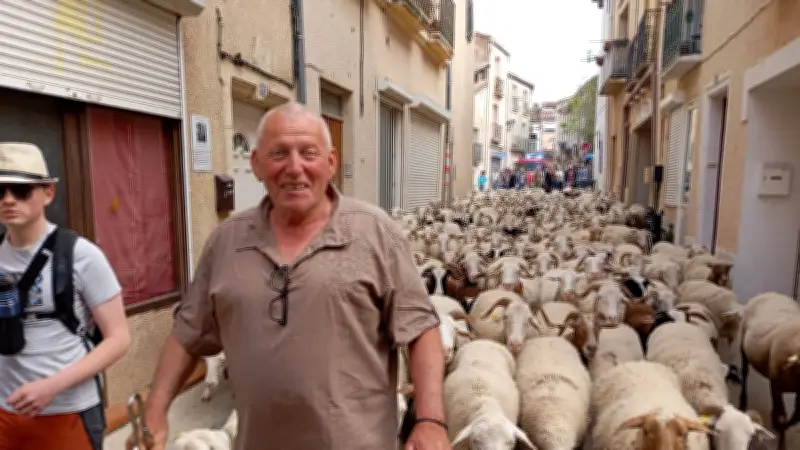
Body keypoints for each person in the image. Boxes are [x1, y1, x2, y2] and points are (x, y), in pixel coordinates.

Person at [127, 103, 449, 450]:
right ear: (257, 164)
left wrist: (430, 420)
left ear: (331, 162)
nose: (295, 168)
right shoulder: (227, 242)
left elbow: (420, 328)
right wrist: (157, 407)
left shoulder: (374, 233)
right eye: (279, 153)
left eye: (308, 153)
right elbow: (189, 332)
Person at [0, 143, 131, 450]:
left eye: (21, 190)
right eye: (0, 190)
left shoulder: (81, 255)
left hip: (68, 411)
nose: (8, 199)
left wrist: (51, 387)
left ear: (48, 193)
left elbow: (119, 338)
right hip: (5, 413)